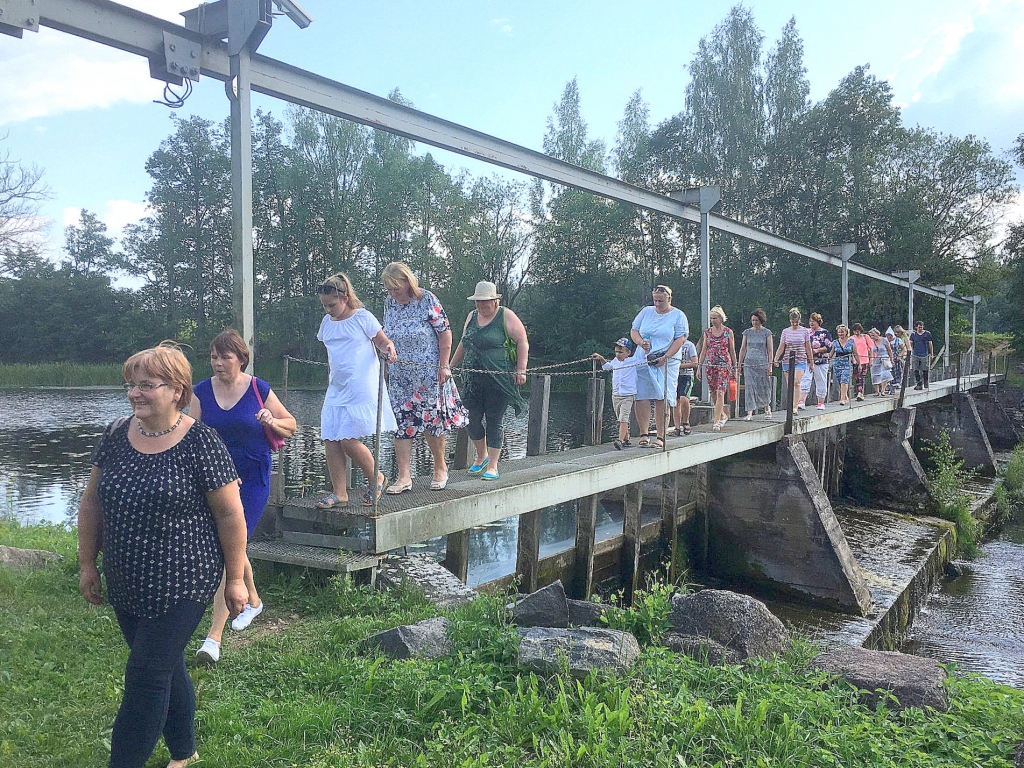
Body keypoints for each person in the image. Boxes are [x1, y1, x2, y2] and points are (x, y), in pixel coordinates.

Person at [77, 343, 248, 768]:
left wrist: (235, 578)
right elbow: (92, 502)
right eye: (131, 385)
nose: (135, 393)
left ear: (177, 390)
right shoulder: (116, 434)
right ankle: (184, 752)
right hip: (127, 577)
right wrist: (86, 563)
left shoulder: (201, 442)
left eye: (147, 385)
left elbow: (230, 514)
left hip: (184, 580)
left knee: (145, 677)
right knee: (166, 665)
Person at [192, 329, 297, 665]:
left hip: (252, 478)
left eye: (226, 356)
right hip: (216, 481)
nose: (218, 363)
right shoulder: (200, 392)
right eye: (213, 356)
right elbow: (189, 436)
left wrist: (271, 419)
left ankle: (213, 639)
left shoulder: (257, 388)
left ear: (241, 359)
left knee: (228, 552)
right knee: (233, 545)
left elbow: (291, 425)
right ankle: (253, 600)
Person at [382, 262, 468, 492]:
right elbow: (386, 335)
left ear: (407, 282)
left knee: (432, 421)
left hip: (428, 374)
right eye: (389, 289)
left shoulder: (427, 299)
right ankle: (404, 477)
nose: (393, 293)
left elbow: (445, 333)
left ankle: (440, 468)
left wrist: (444, 366)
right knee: (401, 423)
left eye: (396, 288)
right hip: (400, 376)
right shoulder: (389, 303)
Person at [314, 273, 397, 509]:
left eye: (332, 304)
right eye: (324, 305)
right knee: (331, 438)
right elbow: (333, 353)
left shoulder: (362, 317)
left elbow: (382, 341)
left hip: (361, 385)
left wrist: (388, 348)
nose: (328, 309)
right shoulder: (326, 323)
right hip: (337, 387)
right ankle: (340, 492)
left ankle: (377, 477)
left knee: (348, 440)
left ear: (345, 297)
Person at [450, 280, 528, 480]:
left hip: (498, 379)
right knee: (470, 418)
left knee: (494, 420)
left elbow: (522, 341)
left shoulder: (506, 315)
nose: (481, 305)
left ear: (494, 301)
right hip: (472, 379)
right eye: (478, 302)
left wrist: (521, 369)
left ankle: (493, 465)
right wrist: (450, 366)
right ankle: (481, 455)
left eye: (485, 302)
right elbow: (464, 342)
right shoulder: (472, 317)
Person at [629, 285, 689, 449]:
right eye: (655, 300)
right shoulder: (646, 312)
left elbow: (680, 339)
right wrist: (641, 342)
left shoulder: (678, 316)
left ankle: (661, 436)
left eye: (660, 301)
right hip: (644, 358)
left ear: (669, 298)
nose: (657, 303)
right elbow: (634, 331)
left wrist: (666, 356)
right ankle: (644, 434)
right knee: (641, 395)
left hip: (666, 360)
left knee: (661, 396)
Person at [591, 337, 645, 449]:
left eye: (621, 352)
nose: (618, 354)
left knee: (623, 418)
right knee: (619, 417)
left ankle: (620, 440)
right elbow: (607, 367)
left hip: (628, 395)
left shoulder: (633, 361)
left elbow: (645, 359)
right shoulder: (615, 361)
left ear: (628, 352)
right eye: (616, 351)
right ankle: (626, 439)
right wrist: (601, 358)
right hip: (616, 394)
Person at [695, 305, 737, 432]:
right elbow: (703, 350)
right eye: (711, 318)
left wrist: (735, 367)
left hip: (724, 364)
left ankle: (716, 421)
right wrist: (699, 367)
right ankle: (723, 414)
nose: (713, 320)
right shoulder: (707, 332)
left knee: (720, 392)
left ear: (721, 318)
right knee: (713, 392)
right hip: (711, 365)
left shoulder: (728, 332)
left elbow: (732, 350)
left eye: (715, 318)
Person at [773, 308, 814, 413]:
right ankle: (790, 405)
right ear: (790, 321)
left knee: (796, 382)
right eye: (792, 322)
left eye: (796, 322)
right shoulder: (785, 331)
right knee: (790, 384)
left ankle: (795, 406)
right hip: (787, 360)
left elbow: (808, 347)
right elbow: (782, 346)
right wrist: (776, 358)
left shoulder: (805, 331)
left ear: (799, 320)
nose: (794, 324)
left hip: (800, 359)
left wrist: (811, 361)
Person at [738, 308, 774, 421]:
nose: (754, 322)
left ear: (761, 320)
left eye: (756, 320)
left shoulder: (767, 333)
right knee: (749, 386)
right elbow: (743, 348)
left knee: (763, 386)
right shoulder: (747, 332)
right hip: (749, 363)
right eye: (753, 320)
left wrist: (770, 365)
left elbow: (770, 350)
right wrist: (739, 364)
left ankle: (767, 408)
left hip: (762, 363)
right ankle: (749, 412)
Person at [802, 312, 833, 410]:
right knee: (805, 380)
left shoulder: (825, 333)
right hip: (807, 360)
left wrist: (817, 350)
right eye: (810, 321)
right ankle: (801, 401)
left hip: (821, 361)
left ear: (818, 322)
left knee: (821, 381)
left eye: (814, 321)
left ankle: (820, 403)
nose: (811, 323)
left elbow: (828, 347)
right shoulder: (806, 332)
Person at [671, 336, 699, 435]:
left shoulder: (689, 345)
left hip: (686, 375)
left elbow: (695, 363)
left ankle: (686, 422)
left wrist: (679, 366)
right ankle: (677, 427)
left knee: (684, 398)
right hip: (674, 376)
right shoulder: (670, 344)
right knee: (675, 401)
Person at [831, 324, 859, 405]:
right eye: (839, 332)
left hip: (847, 363)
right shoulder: (835, 342)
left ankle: (842, 399)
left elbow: (855, 353)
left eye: (842, 332)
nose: (840, 334)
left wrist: (859, 364)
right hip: (837, 364)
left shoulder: (851, 342)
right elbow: (831, 354)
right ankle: (845, 396)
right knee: (840, 381)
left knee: (844, 380)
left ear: (846, 332)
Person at [868, 327, 894, 396]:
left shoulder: (884, 340)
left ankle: (883, 390)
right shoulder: (871, 342)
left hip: (884, 358)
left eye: (873, 335)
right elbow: (869, 351)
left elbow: (889, 350)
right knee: (874, 375)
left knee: (884, 374)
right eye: (871, 336)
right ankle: (877, 391)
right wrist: (870, 360)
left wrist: (891, 359)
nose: (872, 337)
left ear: (877, 334)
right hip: (875, 359)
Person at [909, 320, 934, 390]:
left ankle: (925, 382)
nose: (921, 328)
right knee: (915, 369)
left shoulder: (927, 334)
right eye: (919, 327)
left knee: (925, 369)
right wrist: (908, 353)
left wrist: (931, 354)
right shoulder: (913, 335)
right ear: (916, 327)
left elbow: (930, 344)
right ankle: (919, 384)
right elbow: (910, 344)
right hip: (915, 354)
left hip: (924, 354)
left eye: (921, 327)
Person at [850, 323, 872, 401]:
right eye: (855, 331)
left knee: (862, 377)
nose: (857, 333)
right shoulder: (851, 339)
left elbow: (870, 348)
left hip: (865, 360)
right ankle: (860, 392)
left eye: (858, 331)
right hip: (855, 360)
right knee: (857, 377)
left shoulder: (866, 337)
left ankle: (860, 393)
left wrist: (871, 359)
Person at [886, 327, 906, 394]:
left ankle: (895, 386)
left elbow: (903, 349)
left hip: (896, 359)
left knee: (897, 373)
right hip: (887, 359)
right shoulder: (885, 341)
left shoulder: (898, 340)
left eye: (890, 335)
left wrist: (899, 356)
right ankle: (889, 387)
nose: (889, 337)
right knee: (888, 373)